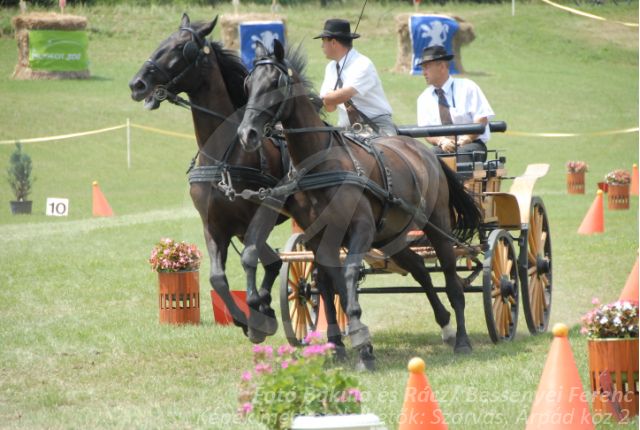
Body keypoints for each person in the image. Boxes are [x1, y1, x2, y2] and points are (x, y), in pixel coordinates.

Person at [315, 19, 396, 136]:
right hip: (346, 129)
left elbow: (344, 95)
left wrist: (328, 98)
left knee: (387, 147)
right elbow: (330, 108)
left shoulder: (363, 64)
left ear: (333, 42)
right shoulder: (330, 67)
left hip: (376, 125)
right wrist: (330, 99)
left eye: (323, 41)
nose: (322, 46)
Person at [416, 45, 494, 162]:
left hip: (472, 144)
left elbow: (481, 118)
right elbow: (426, 132)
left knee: (461, 156)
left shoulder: (468, 87)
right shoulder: (423, 98)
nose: (423, 73)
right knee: (428, 157)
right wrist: (441, 141)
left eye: (426, 67)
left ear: (442, 67)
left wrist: (468, 138)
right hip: (443, 146)